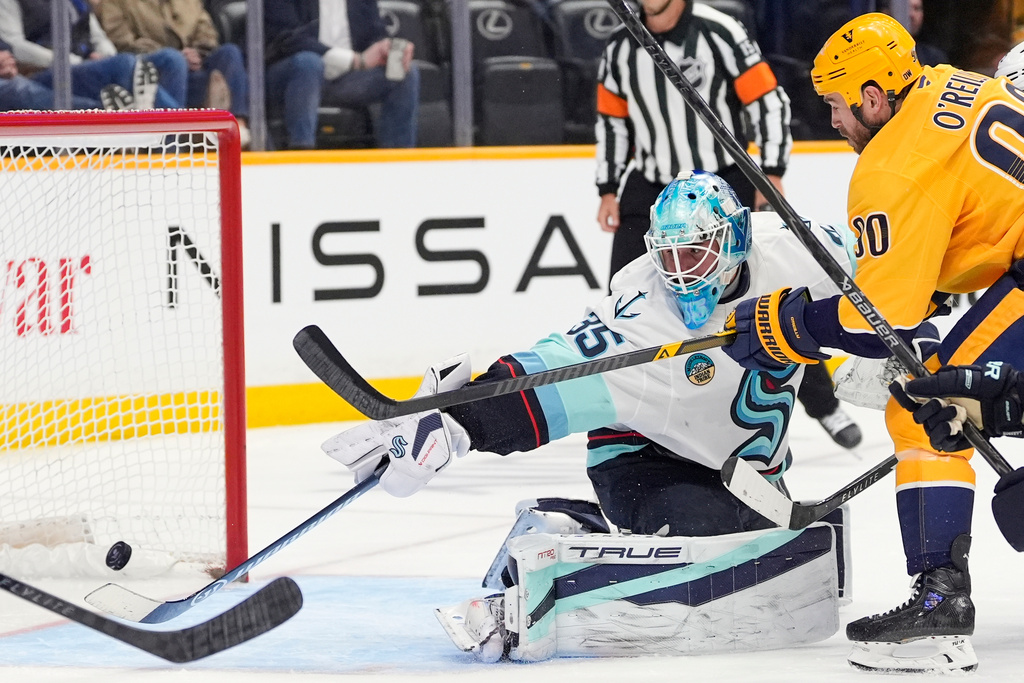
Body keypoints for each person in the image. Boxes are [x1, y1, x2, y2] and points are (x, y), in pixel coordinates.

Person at [319, 171, 858, 661]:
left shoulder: (800, 250)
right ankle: (548, 568)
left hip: (746, 474)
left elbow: (899, 265)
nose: (680, 274)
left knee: (768, 558)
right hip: (644, 459)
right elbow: (549, 372)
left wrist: (924, 349)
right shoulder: (638, 316)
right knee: (704, 548)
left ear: (735, 240)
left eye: (693, 255)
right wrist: (458, 423)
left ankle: (582, 526)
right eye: (667, 257)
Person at [721, 12, 1024, 674]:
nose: (832, 119)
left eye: (836, 103)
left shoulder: (892, 168)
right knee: (978, 395)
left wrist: (785, 323)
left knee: (928, 404)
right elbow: (981, 212)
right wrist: (928, 295)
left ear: (874, 97)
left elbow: (873, 319)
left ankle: (940, 604)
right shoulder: (951, 83)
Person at [594, 0, 862, 450]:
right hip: (653, 191)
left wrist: (771, 170)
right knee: (625, 299)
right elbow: (612, 122)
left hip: (720, 185)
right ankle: (628, 417)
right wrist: (607, 185)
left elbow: (768, 102)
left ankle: (823, 404)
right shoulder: (620, 46)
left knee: (769, 290)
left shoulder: (720, 32)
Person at [263, 0, 419, 150]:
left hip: (347, 78)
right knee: (308, 63)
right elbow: (287, 39)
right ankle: (301, 155)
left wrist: (386, 47)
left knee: (403, 71)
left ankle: (396, 160)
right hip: (291, 76)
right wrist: (356, 60)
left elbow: (375, 32)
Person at [97, 0, 249, 142]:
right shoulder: (115, 2)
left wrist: (197, 51)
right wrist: (176, 54)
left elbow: (205, 28)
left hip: (192, 70)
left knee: (229, 53)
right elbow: (122, 41)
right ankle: (176, 140)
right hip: (151, 72)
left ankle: (235, 128)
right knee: (173, 60)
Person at [0, 0, 170, 109]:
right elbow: (16, 45)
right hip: (48, 69)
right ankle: (166, 140)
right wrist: (71, 61)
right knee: (124, 65)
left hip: (87, 61)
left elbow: (98, 36)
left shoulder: (77, 2)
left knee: (170, 59)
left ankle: (142, 119)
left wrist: (105, 54)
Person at [879, 0, 948, 66]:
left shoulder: (935, 59)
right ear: (886, 13)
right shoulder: (878, 55)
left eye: (917, 8)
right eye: (905, 8)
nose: (911, 15)